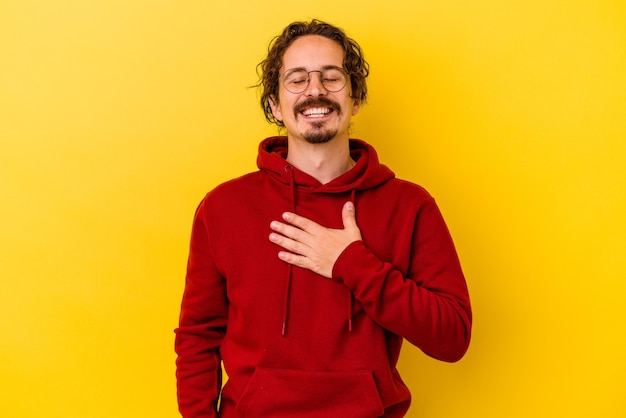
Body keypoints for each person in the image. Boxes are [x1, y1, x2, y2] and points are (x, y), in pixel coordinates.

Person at [175, 19, 472, 418]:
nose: (315, 89)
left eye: (331, 78)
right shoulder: (224, 207)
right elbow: (198, 334)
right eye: (296, 79)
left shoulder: (409, 206)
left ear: (356, 99)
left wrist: (351, 263)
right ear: (275, 105)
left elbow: (452, 337)